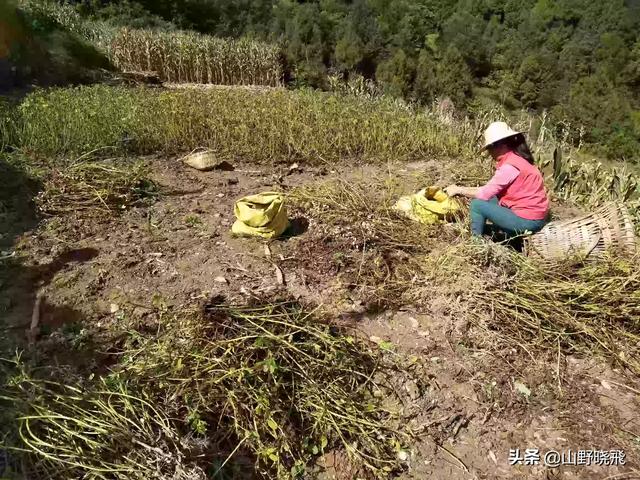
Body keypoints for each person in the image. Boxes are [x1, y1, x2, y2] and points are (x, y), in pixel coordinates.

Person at [445, 121, 550, 241]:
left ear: (499, 145)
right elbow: (490, 192)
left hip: (529, 221)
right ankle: (495, 233)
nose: (489, 153)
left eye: (489, 148)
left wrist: (459, 190)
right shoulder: (518, 160)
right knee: (494, 199)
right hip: (535, 216)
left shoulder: (509, 167)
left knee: (477, 205)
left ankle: (475, 244)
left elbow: (483, 194)